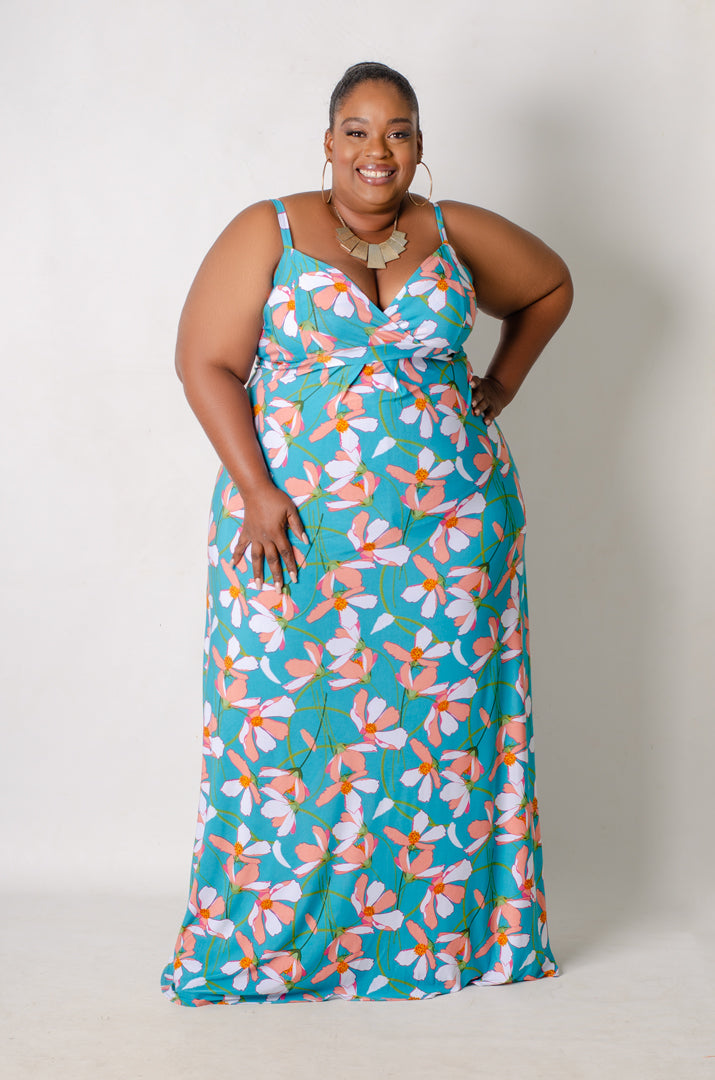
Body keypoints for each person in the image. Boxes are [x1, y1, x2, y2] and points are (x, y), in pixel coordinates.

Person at [161, 61, 573, 1005]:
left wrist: (500, 385)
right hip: (295, 534)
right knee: (284, 738)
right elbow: (203, 362)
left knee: (439, 743)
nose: (375, 150)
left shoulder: (450, 230)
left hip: (450, 543)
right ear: (327, 141)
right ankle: (274, 945)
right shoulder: (267, 230)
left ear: (419, 146)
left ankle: (439, 940)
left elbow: (548, 286)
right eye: (356, 130)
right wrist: (256, 489)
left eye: (397, 131)